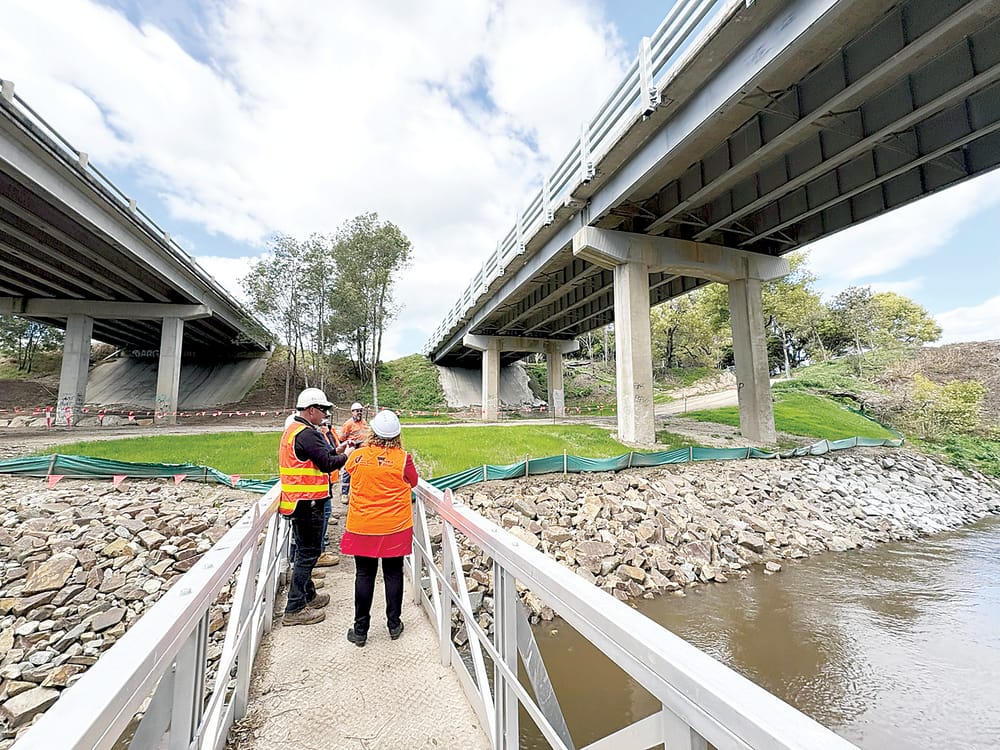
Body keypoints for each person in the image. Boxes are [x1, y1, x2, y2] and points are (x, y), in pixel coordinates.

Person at [340, 409, 419, 647]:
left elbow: (348, 472)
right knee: (393, 574)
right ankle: (394, 625)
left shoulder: (357, 456)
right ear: (397, 435)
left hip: (362, 526)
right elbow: (413, 481)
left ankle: (360, 630)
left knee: (364, 575)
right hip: (395, 527)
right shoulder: (403, 458)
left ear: (372, 431)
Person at [278, 387, 351, 626]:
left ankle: (308, 594)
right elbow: (326, 464)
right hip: (308, 504)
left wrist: (335, 451)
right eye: (323, 410)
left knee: (304, 552)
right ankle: (295, 608)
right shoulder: (307, 434)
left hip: (298, 503)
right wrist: (346, 456)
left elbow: (317, 457)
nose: (326, 414)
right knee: (308, 553)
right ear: (311, 410)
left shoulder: (295, 430)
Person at [338, 402, 369, 503]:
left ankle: (361, 493)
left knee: (363, 471)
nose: (359, 413)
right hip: (353, 449)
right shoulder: (348, 424)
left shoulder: (364, 422)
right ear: (352, 412)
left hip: (363, 450)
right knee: (348, 470)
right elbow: (341, 438)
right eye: (357, 411)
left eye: (360, 411)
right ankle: (344, 494)